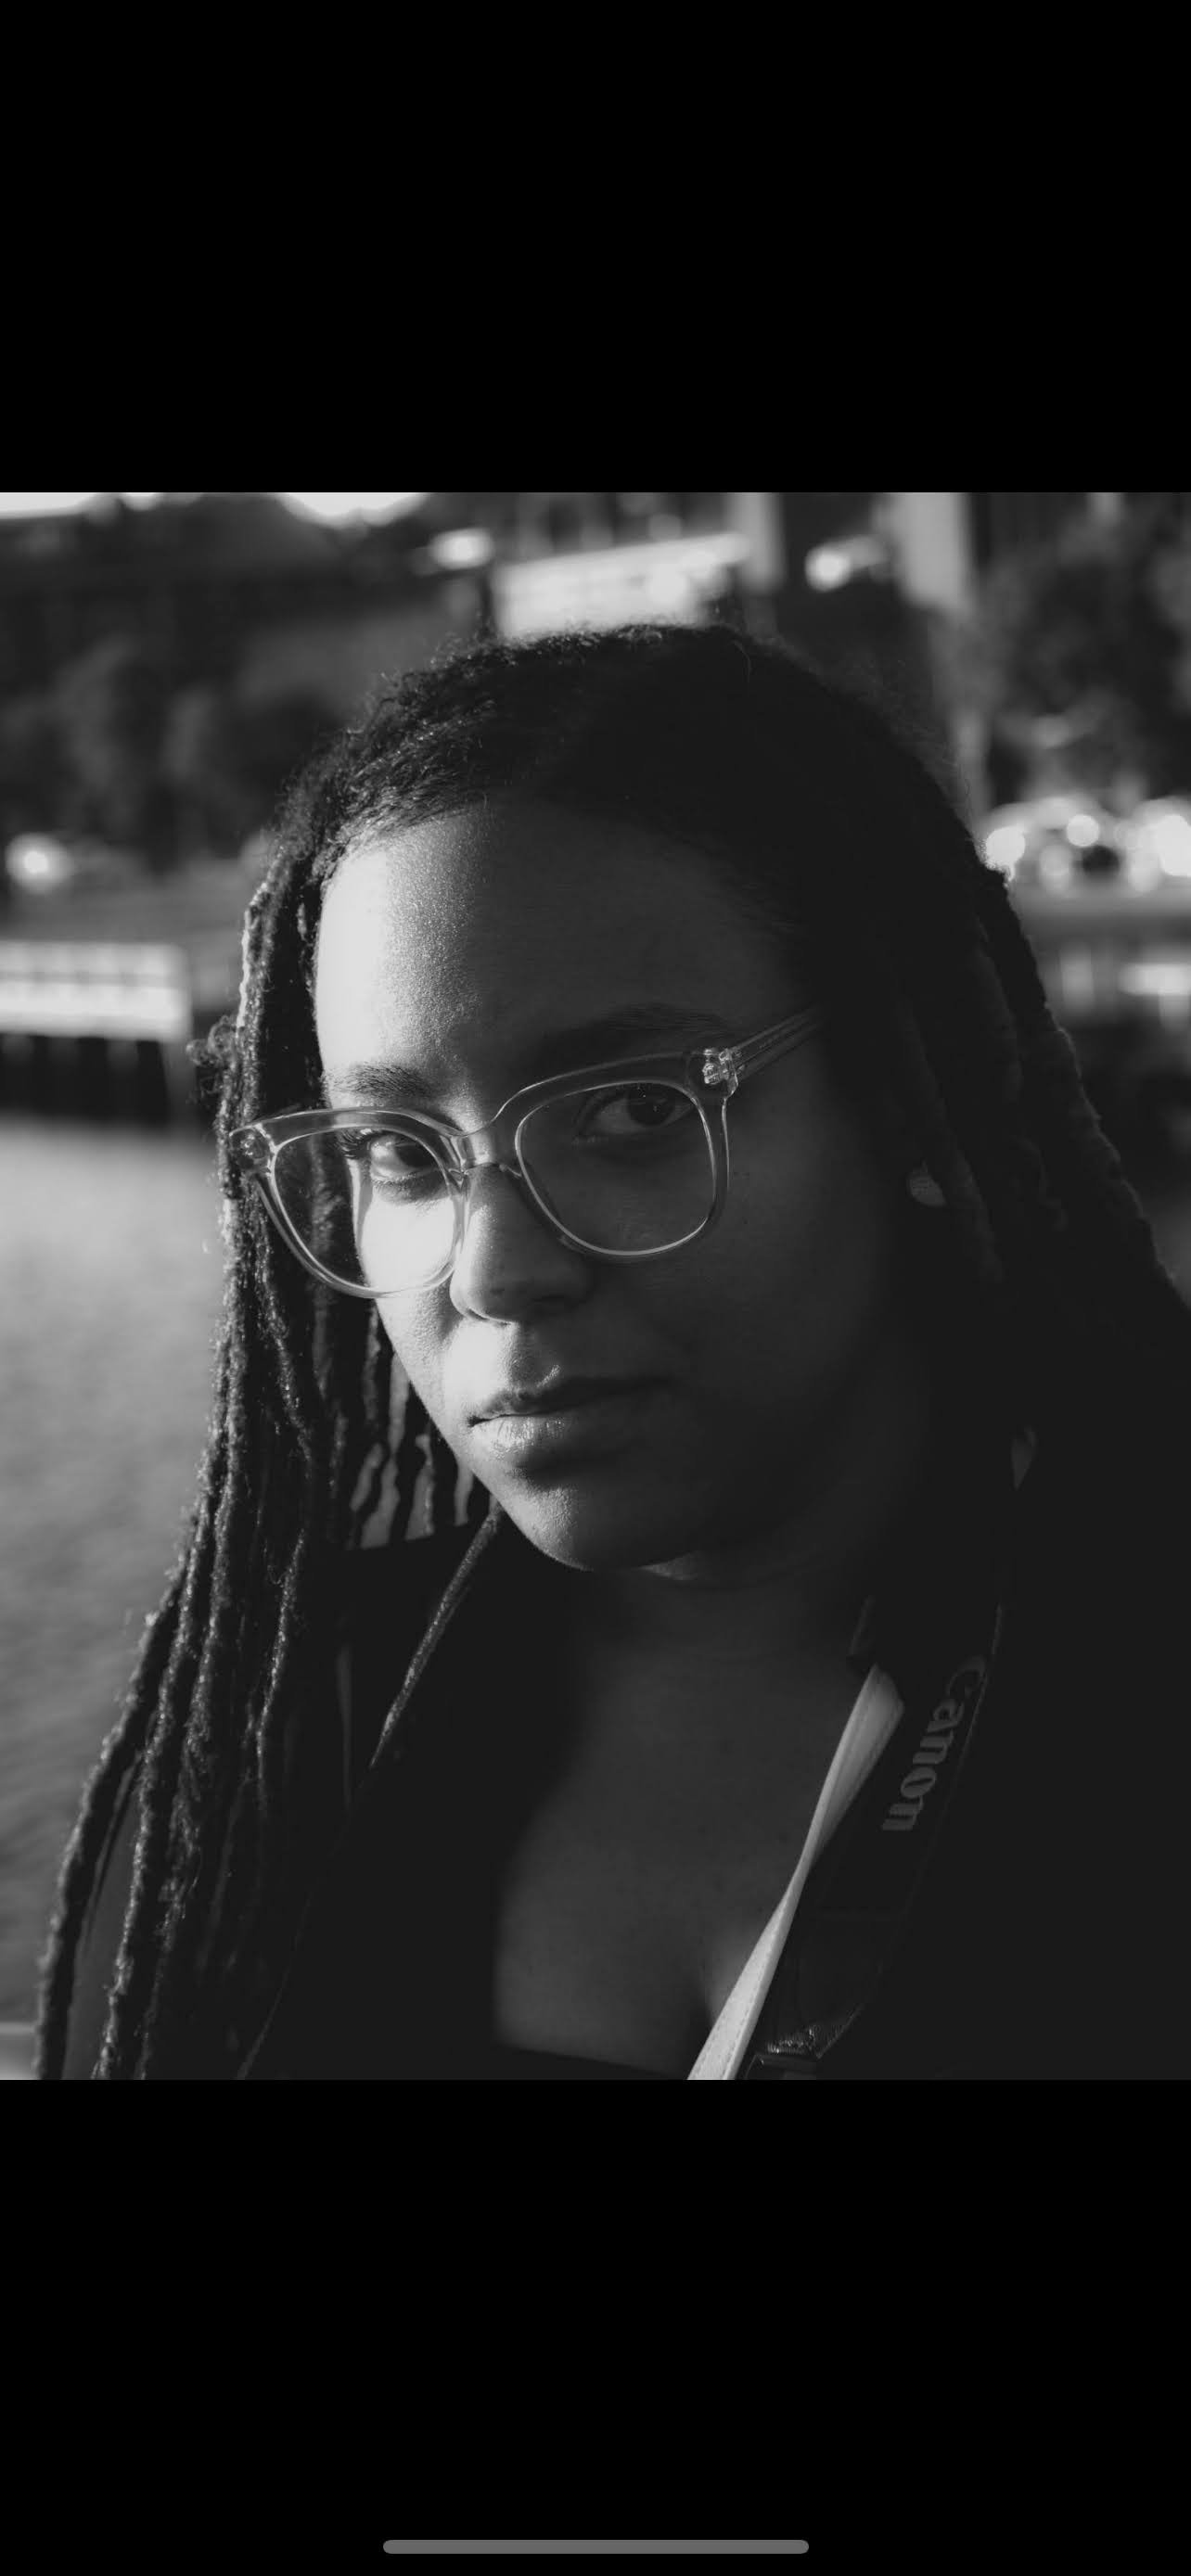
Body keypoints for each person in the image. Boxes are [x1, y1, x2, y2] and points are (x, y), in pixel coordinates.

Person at [35, 620, 1191, 2081]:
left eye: (634, 1111)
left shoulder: (1143, 1655)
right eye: (399, 1149)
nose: (496, 1271)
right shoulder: (274, 1742)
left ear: (905, 1093)